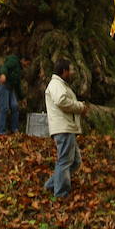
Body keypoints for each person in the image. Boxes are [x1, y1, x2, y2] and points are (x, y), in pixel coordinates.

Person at [44, 58, 89, 199]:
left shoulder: (60, 84)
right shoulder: (56, 84)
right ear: (64, 71)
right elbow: (61, 101)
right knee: (65, 161)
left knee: (75, 162)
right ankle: (61, 193)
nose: (72, 73)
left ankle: (51, 185)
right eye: (70, 70)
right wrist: (80, 107)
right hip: (63, 128)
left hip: (67, 127)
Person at [0, 53, 31, 135]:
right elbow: (5, 67)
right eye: (27, 63)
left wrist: (22, 98)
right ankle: (0, 131)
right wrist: (3, 74)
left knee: (15, 106)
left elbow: (17, 85)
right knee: (4, 108)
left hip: (10, 89)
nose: (27, 66)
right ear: (23, 60)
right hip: (3, 86)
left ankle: (14, 129)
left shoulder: (19, 71)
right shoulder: (14, 61)